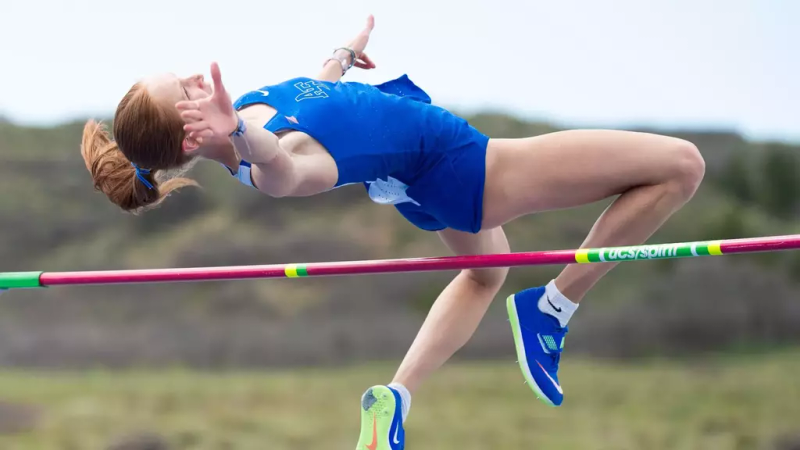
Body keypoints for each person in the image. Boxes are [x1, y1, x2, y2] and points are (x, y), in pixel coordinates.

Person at [80, 15, 705, 450]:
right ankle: (554, 306)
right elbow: (282, 159)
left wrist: (344, 52)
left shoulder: (245, 108)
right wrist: (238, 134)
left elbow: (318, 92)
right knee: (680, 166)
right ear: (193, 135)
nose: (198, 77)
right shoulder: (265, 161)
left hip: (420, 186)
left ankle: (396, 397)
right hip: (466, 169)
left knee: (487, 272)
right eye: (187, 89)